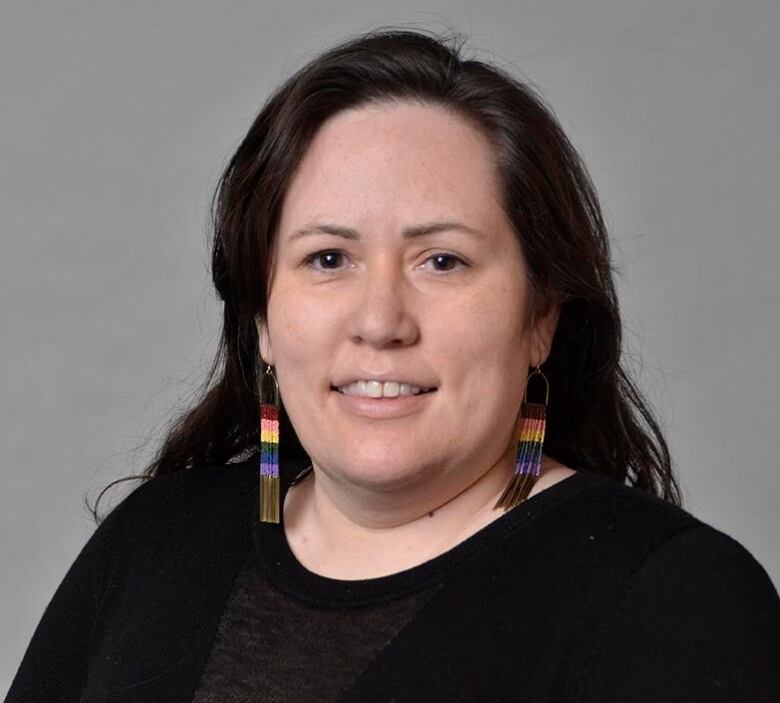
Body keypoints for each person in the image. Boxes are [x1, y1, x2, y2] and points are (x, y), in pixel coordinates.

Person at [6, 27, 779, 703]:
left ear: (540, 315)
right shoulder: (155, 540)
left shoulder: (673, 598)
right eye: (328, 257)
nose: (381, 321)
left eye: (442, 260)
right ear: (263, 320)